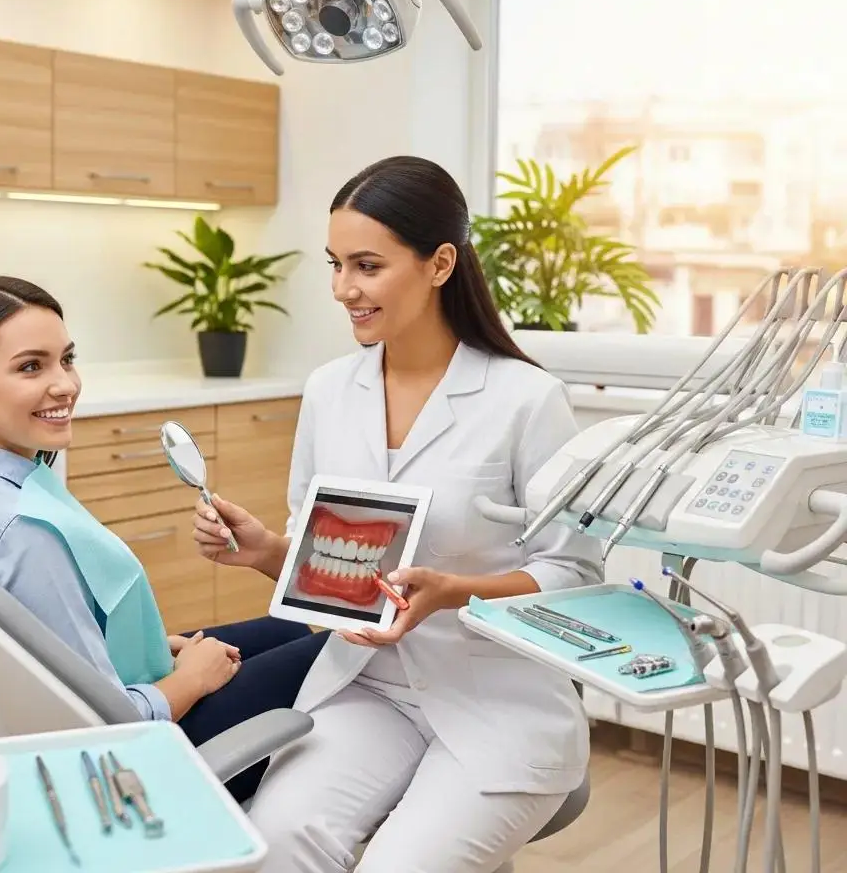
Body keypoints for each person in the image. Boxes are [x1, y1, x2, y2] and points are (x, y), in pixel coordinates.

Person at [192, 156, 604, 872]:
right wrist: (265, 551)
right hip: (367, 687)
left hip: (496, 702)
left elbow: (576, 573)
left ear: (439, 263)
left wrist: (454, 592)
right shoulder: (328, 390)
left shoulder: (526, 400)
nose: (343, 289)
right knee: (277, 844)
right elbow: (324, 557)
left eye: (367, 266)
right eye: (336, 264)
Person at [0, 275, 328, 802]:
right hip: (128, 763)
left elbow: (46, 645)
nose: (65, 385)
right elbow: (107, 723)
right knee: (335, 651)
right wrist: (191, 679)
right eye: (31, 366)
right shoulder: (23, 534)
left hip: (64, 712)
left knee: (286, 630)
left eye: (67, 358)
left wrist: (153, 647)